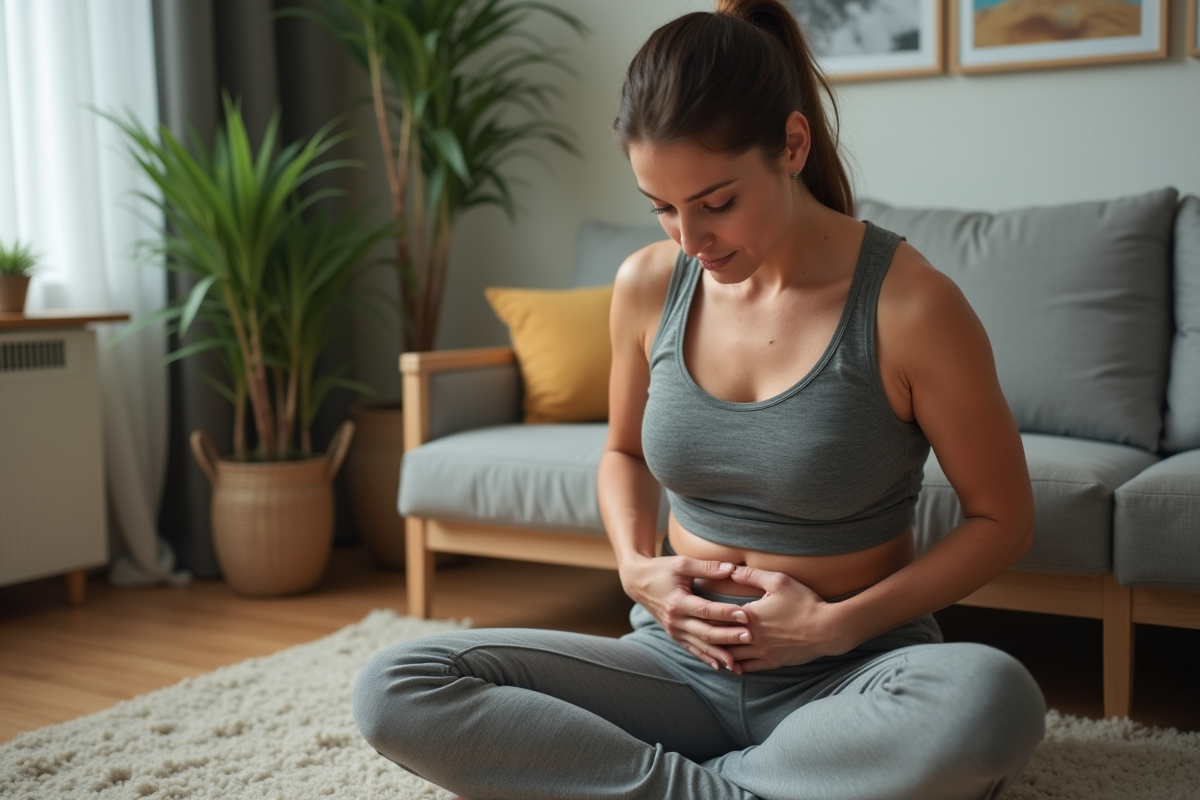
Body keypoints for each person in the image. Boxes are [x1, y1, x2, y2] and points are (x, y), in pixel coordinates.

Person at [351, 1, 1047, 798]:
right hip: (672, 667)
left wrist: (834, 626)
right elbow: (620, 453)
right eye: (661, 207)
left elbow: (1004, 520)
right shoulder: (649, 284)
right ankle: (754, 788)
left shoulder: (911, 306)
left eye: (715, 202)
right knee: (399, 685)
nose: (690, 240)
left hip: (853, 669)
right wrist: (634, 567)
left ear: (791, 144)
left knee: (990, 701)